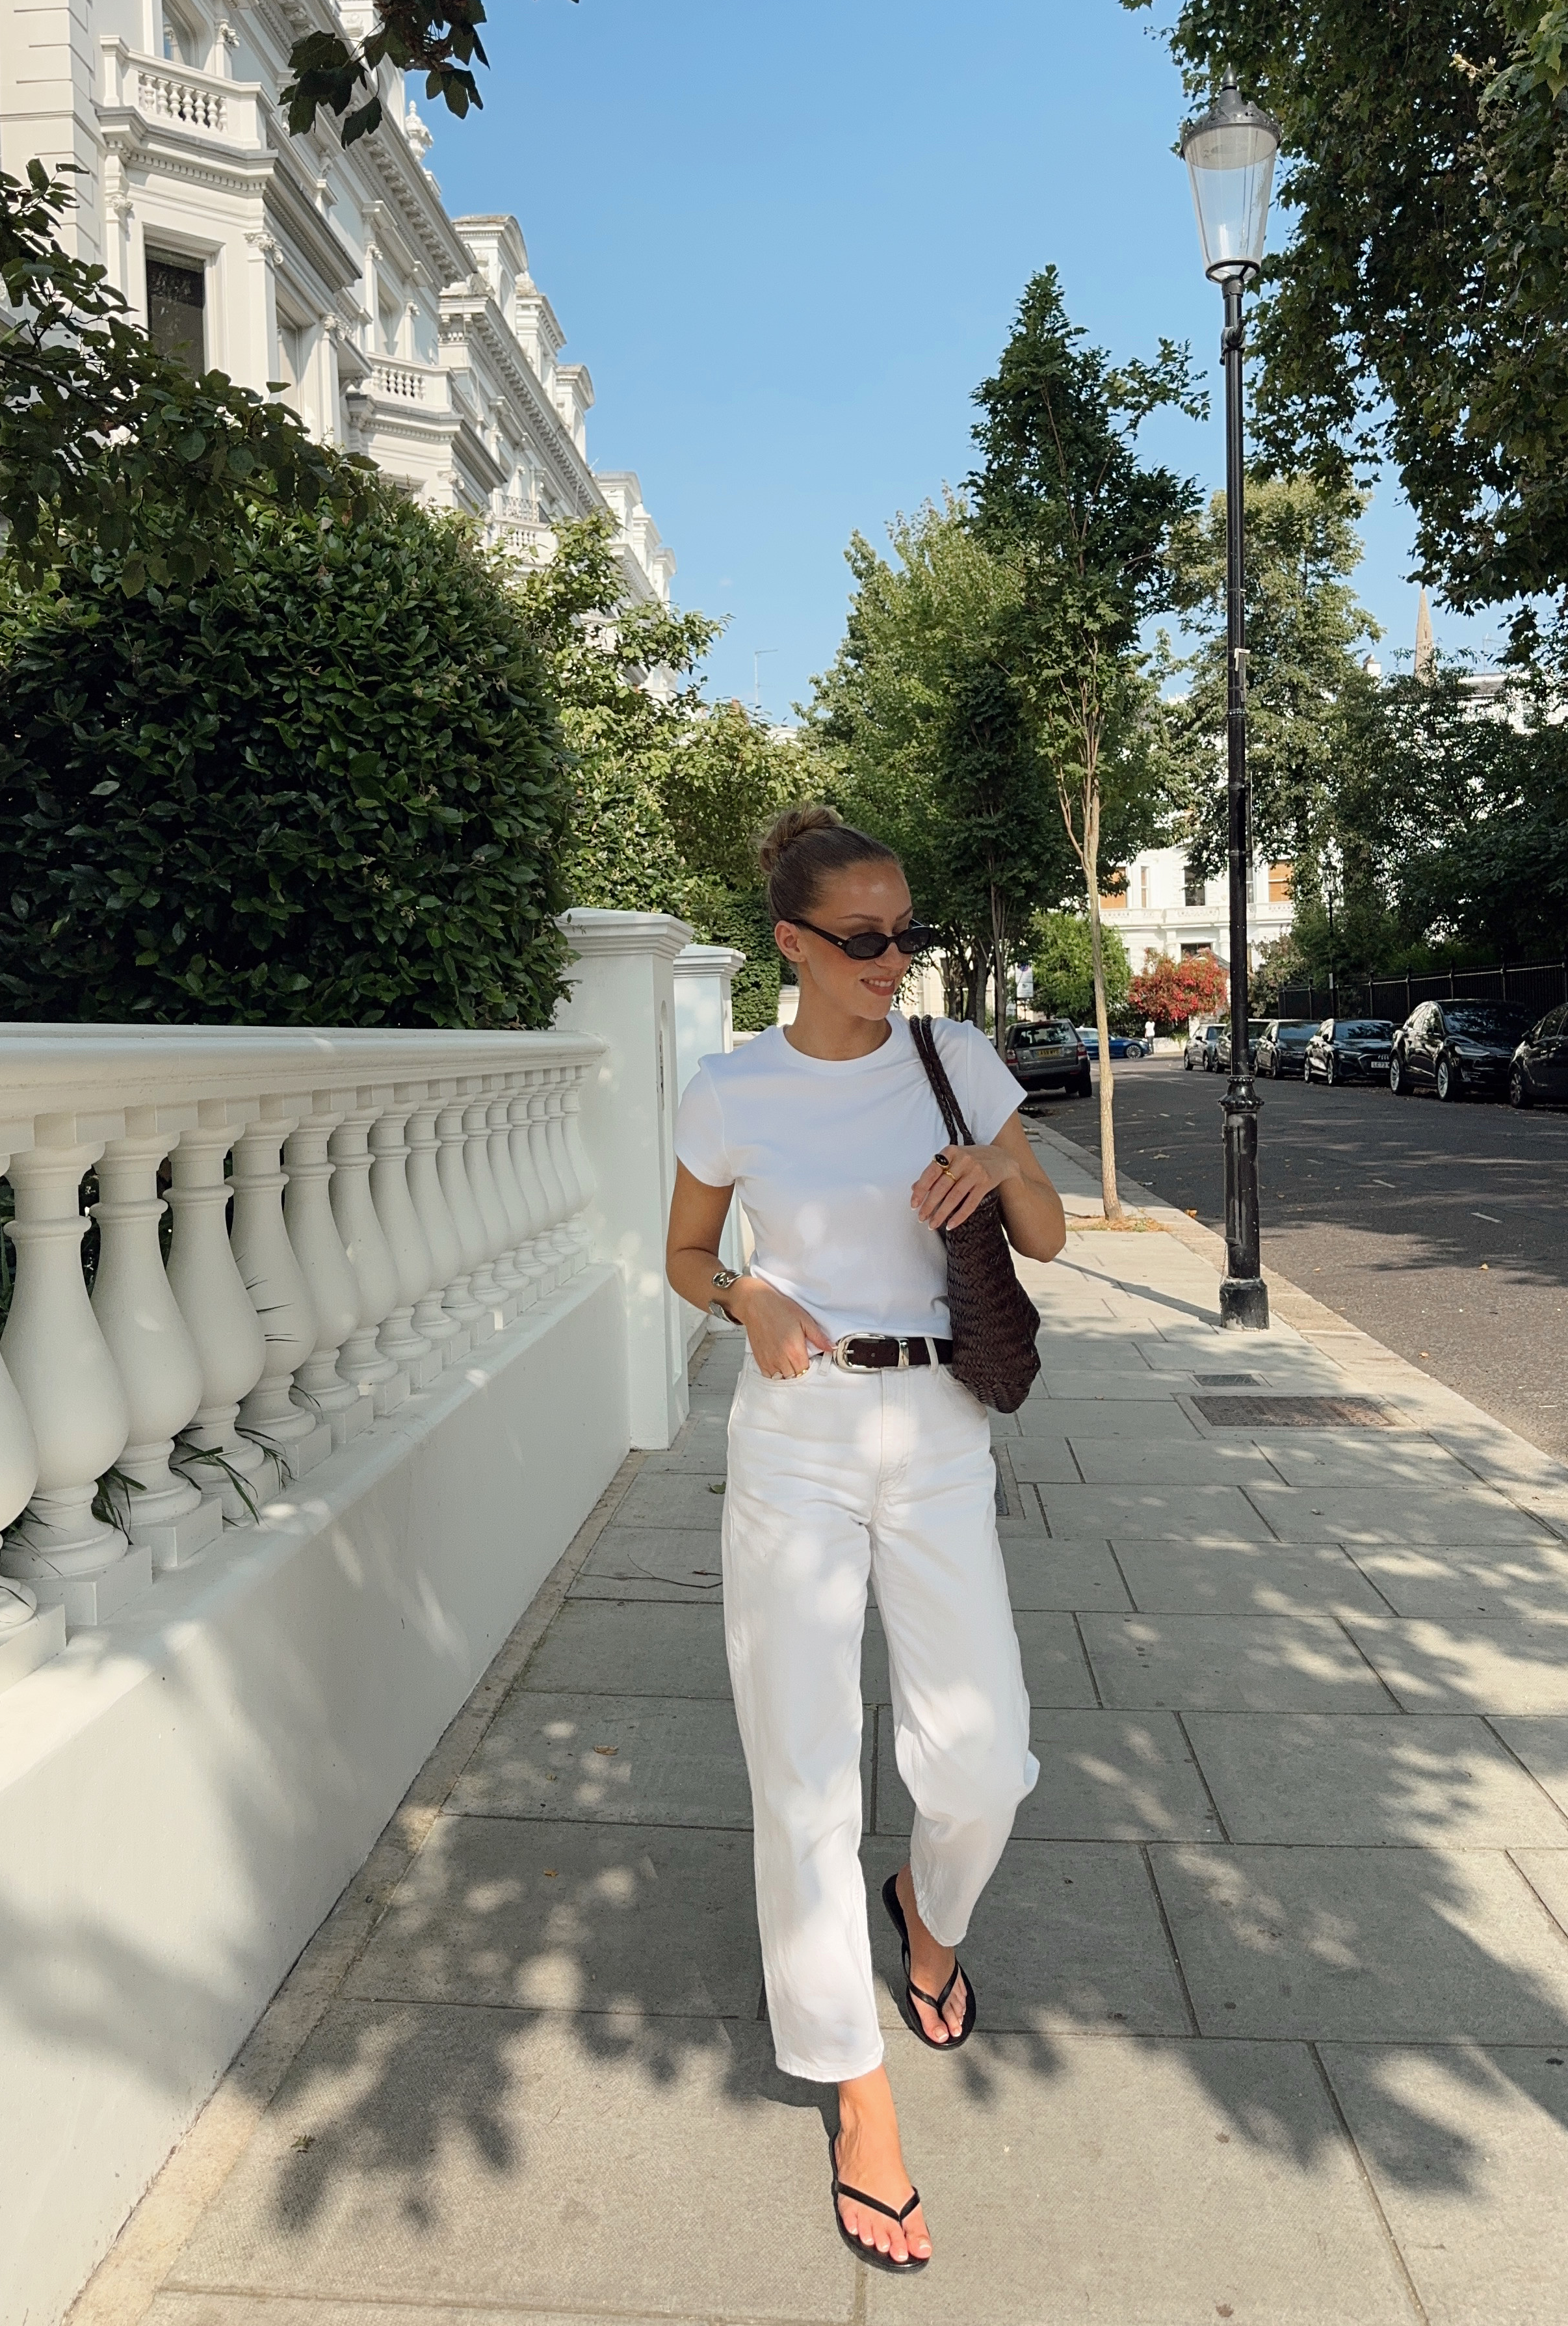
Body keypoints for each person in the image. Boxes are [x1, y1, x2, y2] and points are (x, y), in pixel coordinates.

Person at [665, 806, 1067, 2269]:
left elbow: (1048, 1234)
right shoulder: (732, 1088)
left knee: (983, 1758)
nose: (893, 960)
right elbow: (685, 1253)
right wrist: (748, 1297)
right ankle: (857, 2088)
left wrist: (998, 1176)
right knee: (805, 1771)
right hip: (798, 1435)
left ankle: (927, 1908)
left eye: (908, 934)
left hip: (941, 1427)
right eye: (863, 939)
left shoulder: (954, 1059)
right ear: (792, 942)